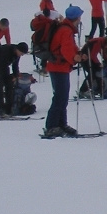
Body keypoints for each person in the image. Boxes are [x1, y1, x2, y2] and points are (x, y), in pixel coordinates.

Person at [43, 7, 86, 138]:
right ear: (77, 17)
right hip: (58, 67)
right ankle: (52, 126)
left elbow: (70, 47)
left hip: (58, 67)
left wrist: (78, 53)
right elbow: (66, 49)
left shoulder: (65, 28)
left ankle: (61, 124)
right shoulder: (66, 30)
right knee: (60, 97)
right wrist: (75, 58)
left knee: (62, 96)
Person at [0, 43, 30, 115]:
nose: (21, 55)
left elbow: (15, 66)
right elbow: (1, 65)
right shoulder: (6, 51)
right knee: (0, 87)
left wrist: (16, 76)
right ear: (17, 49)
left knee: (9, 86)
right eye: (21, 53)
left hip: (4, 66)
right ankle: (0, 108)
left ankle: (9, 107)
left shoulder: (17, 54)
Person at [78, 35, 107, 99]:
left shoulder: (102, 42)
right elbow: (92, 55)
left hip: (90, 58)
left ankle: (99, 89)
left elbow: (102, 51)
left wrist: (106, 59)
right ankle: (83, 91)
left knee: (98, 73)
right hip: (85, 58)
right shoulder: (98, 42)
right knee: (92, 74)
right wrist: (98, 64)